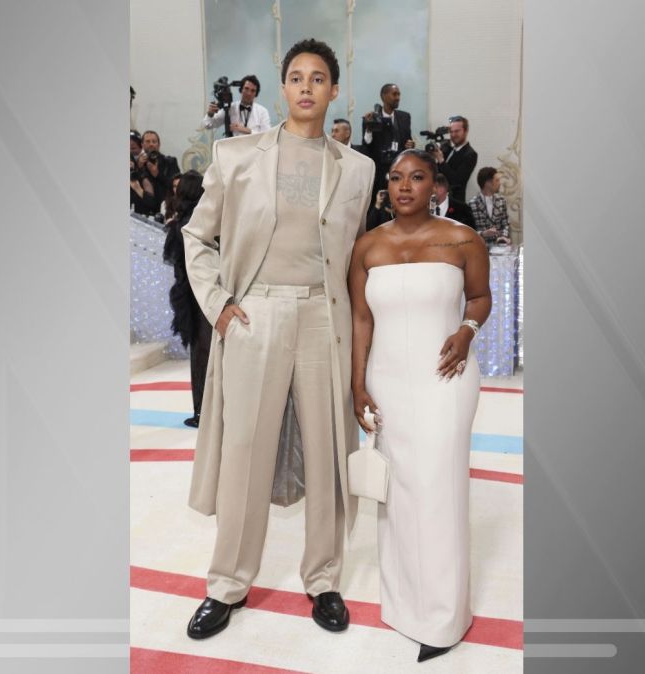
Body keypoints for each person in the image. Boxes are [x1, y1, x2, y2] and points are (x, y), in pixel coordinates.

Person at [181, 38, 376, 640]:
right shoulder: (235, 154)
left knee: (326, 452)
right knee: (245, 450)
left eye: (319, 78)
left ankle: (324, 579)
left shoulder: (359, 169)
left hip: (324, 318)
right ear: (283, 85)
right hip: (253, 316)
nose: (307, 87)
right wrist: (218, 305)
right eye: (296, 77)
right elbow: (197, 236)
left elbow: (355, 262)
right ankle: (227, 583)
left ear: (334, 89)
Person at [347, 149, 491, 663]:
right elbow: (362, 320)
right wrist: (357, 383)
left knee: (440, 488)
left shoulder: (462, 238)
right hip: (386, 382)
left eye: (417, 177)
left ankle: (443, 618)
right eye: (396, 178)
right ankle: (403, 604)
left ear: (436, 184)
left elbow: (480, 298)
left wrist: (467, 331)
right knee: (399, 492)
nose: (404, 186)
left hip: (445, 378)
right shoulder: (367, 246)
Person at [163, 172, 210, 427]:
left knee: (200, 354)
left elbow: (177, 265)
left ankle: (202, 411)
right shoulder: (213, 222)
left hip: (193, 295)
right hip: (215, 292)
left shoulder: (181, 226)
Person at [361, 83, 415, 197]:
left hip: (400, 169)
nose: (398, 98)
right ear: (384, 96)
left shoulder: (405, 117)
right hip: (379, 172)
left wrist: (410, 144)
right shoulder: (371, 118)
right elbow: (366, 144)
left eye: (399, 94)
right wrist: (369, 128)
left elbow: (407, 140)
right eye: (394, 94)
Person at [203, 75, 272, 137]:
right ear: (241, 89)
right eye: (246, 88)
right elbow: (207, 125)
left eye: (253, 91)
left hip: (255, 150)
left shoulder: (262, 111)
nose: (249, 93)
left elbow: (267, 136)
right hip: (234, 150)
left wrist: (247, 130)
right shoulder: (230, 108)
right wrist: (210, 114)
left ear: (256, 94)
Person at [432, 116, 477, 206]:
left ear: (465, 131)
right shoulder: (447, 149)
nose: (453, 135)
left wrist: (441, 160)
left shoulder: (470, 154)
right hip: (437, 201)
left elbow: (456, 180)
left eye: (457, 131)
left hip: (454, 203)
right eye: (451, 132)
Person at [468, 166, 511, 245]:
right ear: (488, 183)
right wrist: (483, 233)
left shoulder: (501, 200)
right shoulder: (472, 204)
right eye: (497, 180)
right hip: (481, 249)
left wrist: (503, 238)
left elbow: (506, 224)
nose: (499, 183)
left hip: (500, 249)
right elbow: (469, 232)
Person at [138, 130, 182, 206]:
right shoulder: (138, 162)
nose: (151, 144)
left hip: (164, 206)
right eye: (148, 141)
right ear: (142, 144)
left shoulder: (170, 162)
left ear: (158, 144)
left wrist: (158, 174)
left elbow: (176, 187)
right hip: (143, 206)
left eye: (154, 141)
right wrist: (138, 167)